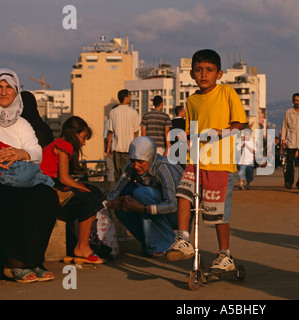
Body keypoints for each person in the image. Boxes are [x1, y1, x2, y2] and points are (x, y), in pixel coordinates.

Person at [165, 49, 248, 272]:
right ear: (192, 74)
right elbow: (193, 129)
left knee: (217, 211)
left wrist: (220, 133)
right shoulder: (191, 101)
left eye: (209, 70)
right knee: (183, 194)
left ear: (219, 74)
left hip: (220, 162)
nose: (204, 74)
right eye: (199, 70)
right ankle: (182, 239)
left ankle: (225, 255)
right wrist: (184, 137)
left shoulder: (227, 93)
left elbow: (240, 123)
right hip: (196, 158)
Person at [0, 68, 60, 283]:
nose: (4, 92)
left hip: (22, 179)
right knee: (7, 201)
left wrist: (20, 152)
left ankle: (34, 260)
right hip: (2, 180)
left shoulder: (22, 123)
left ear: (16, 92)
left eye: (9, 87)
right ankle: (14, 261)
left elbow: (36, 153)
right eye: (0, 87)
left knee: (48, 198)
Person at [40, 116, 106, 264]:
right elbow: (64, 178)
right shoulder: (64, 145)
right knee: (90, 198)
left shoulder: (58, 143)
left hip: (51, 184)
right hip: (49, 187)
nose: (83, 143)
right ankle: (82, 246)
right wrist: (82, 189)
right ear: (75, 134)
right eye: (83, 138)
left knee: (94, 193)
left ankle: (82, 243)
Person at [107, 136, 183, 257]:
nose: (136, 166)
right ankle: (150, 245)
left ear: (150, 158)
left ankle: (168, 245)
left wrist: (143, 208)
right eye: (133, 161)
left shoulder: (163, 167)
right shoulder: (131, 166)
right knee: (122, 209)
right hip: (155, 207)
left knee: (141, 194)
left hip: (179, 215)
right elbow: (117, 189)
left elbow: (173, 205)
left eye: (140, 162)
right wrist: (112, 202)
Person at [106, 89, 140, 180]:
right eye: (129, 96)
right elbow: (135, 132)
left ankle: (118, 193)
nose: (130, 98)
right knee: (128, 175)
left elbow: (110, 131)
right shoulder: (133, 112)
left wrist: (108, 147)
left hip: (116, 148)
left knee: (117, 175)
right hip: (129, 149)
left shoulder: (113, 112)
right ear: (125, 98)